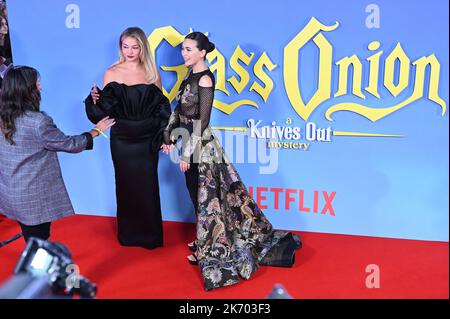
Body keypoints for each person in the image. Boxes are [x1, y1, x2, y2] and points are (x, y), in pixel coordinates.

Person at [161, 32, 302, 291]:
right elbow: (178, 110)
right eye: (183, 49)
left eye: (189, 49)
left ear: (202, 52)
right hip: (187, 142)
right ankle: (202, 238)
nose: (184, 54)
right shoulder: (189, 76)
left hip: (200, 147)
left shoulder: (204, 79)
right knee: (197, 196)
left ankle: (210, 246)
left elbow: (202, 122)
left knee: (207, 199)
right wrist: (169, 137)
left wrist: (185, 152)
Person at [0, 66, 115, 242]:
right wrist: (96, 131)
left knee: (33, 239)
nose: (41, 88)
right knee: (39, 242)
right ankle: (37, 269)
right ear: (26, 89)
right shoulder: (38, 122)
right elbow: (69, 144)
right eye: (37, 84)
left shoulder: (3, 117)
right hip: (33, 198)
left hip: (12, 193)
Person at [85, 27, 171, 249]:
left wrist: (164, 136)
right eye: (126, 46)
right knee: (125, 185)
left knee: (148, 185)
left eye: (135, 47)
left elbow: (161, 109)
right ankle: (129, 235)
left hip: (147, 137)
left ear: (142, 47)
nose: (130, 51)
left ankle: (150, 237)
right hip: (122, 139)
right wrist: (94, 99)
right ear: (120, 47)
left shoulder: (152, 73)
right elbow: (104, 109)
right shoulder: (111, 72)